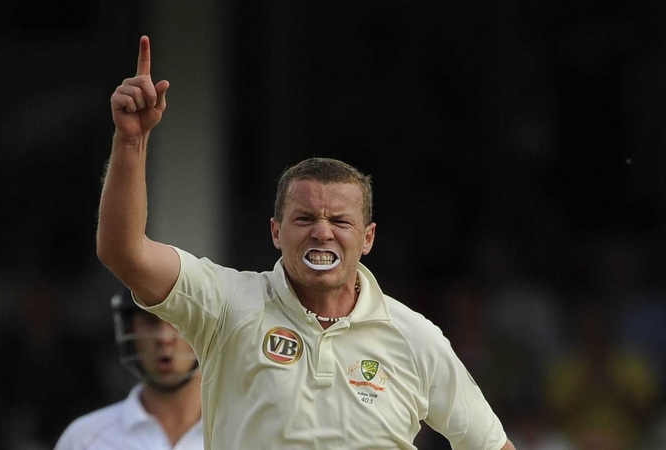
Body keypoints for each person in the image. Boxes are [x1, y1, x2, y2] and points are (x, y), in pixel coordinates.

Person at [96, 34, 516, 450]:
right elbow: (124, 252)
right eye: (305, 218)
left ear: (368, 238)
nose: (322, 231)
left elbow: (492, 445)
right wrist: (130, 142)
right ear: (276, 231)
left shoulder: (415, 336)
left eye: (340, 221)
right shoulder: (226, 303)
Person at [54, 292, 203, 450]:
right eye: (150, 320)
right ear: (130, 330)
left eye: (178, 319)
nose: (164, 338)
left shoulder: (231, 432)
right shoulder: (83, 439)